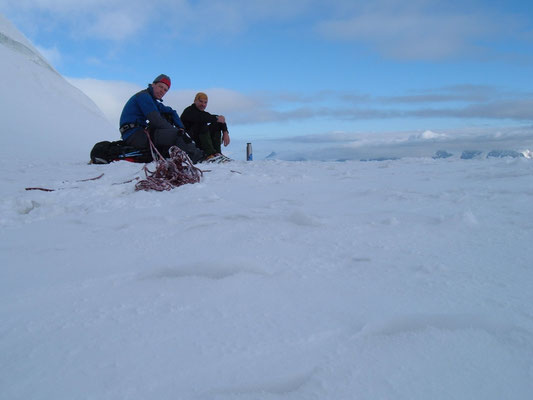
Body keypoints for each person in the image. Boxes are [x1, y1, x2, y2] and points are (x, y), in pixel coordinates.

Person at [119, 74, 205, 163]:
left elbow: (171, 111)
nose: (162, 91)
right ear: (153, 85)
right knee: (177, 134)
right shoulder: (143, 97)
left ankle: (182, 154)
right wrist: (177, 132)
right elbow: (156, 121)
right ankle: (199, 158)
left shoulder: (152, 100)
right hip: (134, 135)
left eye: (165, 90)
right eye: (160, 87)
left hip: (136, 133)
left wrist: (181, 127)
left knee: (169, 118)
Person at [180, 92, 231, 160]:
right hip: (190, 143)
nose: (203, 104)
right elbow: (202, 118)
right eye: (201, 101)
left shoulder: (203, 114)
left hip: (201, 141)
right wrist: (217, 118)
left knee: (217, 124)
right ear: (195, 101)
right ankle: (209, 154)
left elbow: (218, 119)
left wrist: (225, 131)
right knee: (203, 122)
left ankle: (217, 153)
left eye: (205, 102)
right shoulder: (189, 111)